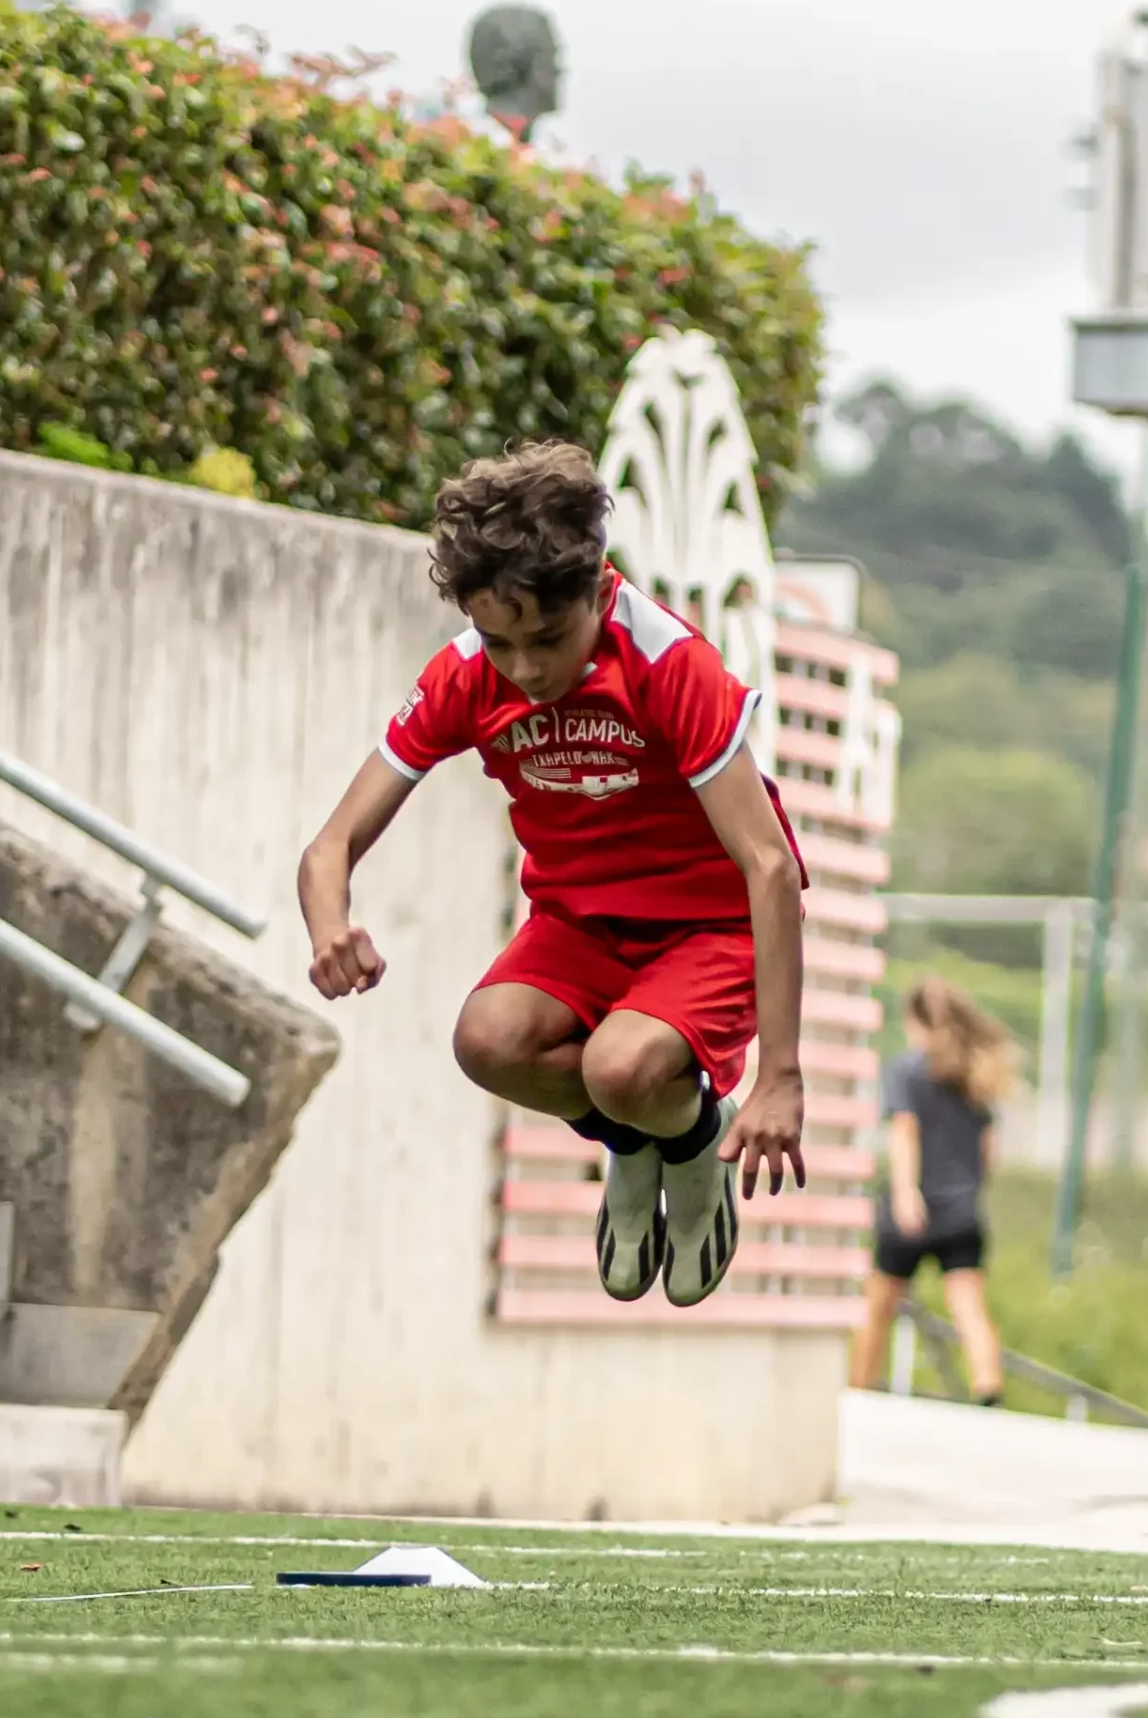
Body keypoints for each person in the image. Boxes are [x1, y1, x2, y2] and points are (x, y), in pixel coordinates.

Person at [297, 442, 808, 1308]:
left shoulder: (666, 663)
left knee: (620, 1069)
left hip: (707, 929)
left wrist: (781, 1076)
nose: (526, 670)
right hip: (580, 927)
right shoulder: (467, 675)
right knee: (487, 1042)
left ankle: (690, 1144)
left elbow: (769, 866)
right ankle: (638, 1141)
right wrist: (328, 927)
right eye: (501, 642)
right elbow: (329, 846)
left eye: (547, 639)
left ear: (599, 591)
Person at [848, 977, 1014, 1404]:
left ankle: (860, 1391)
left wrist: (906, 1194)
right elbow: (989, 1151)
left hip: (915, 1208)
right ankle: (989, 1390)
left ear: (916, 1022)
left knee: (879, 1305)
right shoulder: (973, 1075)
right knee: (968, 1305)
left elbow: (905, 1132)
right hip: (962, 1210)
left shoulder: (907, 1070)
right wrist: (970, 1190)